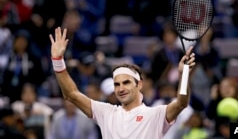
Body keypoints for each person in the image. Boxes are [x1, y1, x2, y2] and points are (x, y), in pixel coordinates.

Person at [49, 27, 196, 139]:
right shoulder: (106, 112)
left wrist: (183, 76)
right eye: (117, 84)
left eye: (126, 82)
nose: (121, 88)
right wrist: (57, 61)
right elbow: (71, 95)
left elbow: (181, 103)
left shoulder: (155, 114)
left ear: (139, 85)